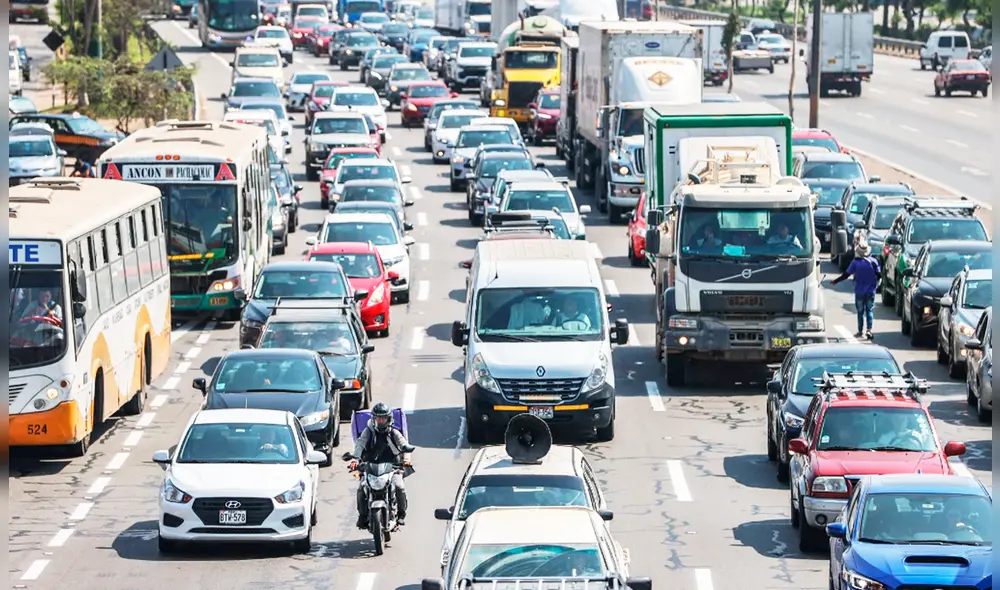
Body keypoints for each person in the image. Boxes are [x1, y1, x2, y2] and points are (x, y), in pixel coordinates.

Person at [349, 403, 413, 527]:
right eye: (378, 418)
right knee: (361, 489)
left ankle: (401, 514)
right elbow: (360, 444)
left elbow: (403, 445)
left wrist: (406, 459)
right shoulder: (368, 431)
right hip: (371, 467)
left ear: (389, 419)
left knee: (399, 486)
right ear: (373, 419)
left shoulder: (394, 432)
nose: (380, 421)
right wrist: (355, 459)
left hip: (392, 467)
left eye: (383, 418)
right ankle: (362, 516)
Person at [827, 241, 881, 339]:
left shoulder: (855, 263)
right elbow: (879, 275)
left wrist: (835, 281)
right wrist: (876, 284)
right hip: (871, 291)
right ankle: (869, 330)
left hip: (859, 291)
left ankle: (860, 331)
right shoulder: (874, 261)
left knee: (860, 312)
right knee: (869, 310)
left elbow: (846, 275)